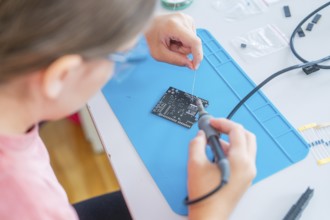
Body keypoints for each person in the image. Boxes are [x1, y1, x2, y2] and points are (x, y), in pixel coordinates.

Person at [0, 0, 256, 220]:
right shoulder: (30, 202)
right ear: (62, 76)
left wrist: (139, 33)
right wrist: (209, 213)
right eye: (122, 57)